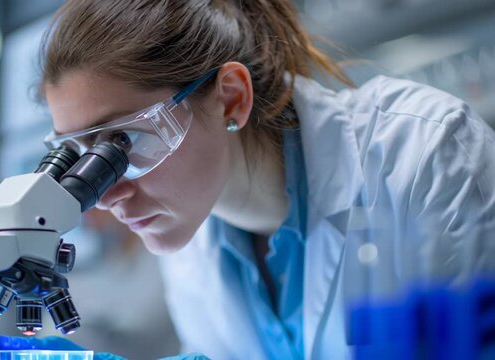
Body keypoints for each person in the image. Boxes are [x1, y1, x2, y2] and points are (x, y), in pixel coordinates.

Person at [37, 0, 495, 359]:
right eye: (79, 154)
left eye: (124, 142)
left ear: (231, 99)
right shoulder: (187, 237)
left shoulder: (425, 152)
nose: (106, 196)